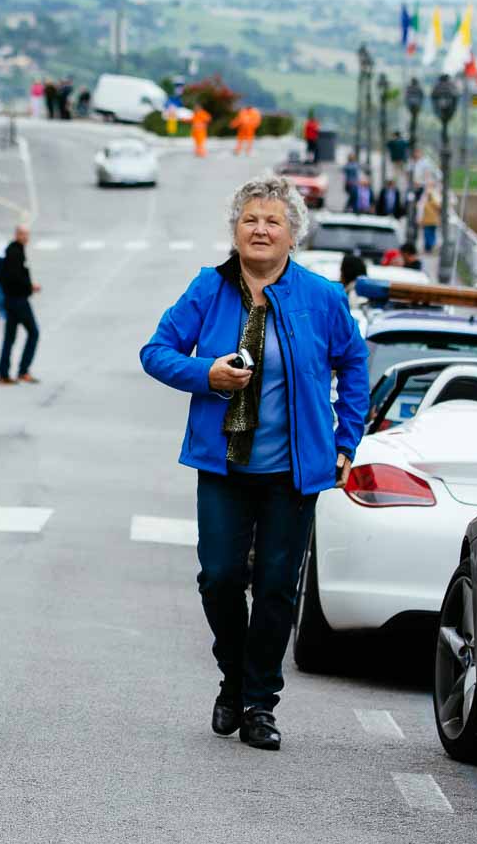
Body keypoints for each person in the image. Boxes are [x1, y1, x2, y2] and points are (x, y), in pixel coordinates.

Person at [140, 173, 370, 751]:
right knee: (219, 578)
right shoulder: (208, 288)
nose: (260, 229)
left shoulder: (321, 297)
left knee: (275, 589)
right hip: (223, 466)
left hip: (294, 470)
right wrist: (206, 373)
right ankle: (233, 678)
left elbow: (354, 364)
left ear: (293, 233)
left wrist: (347, 439)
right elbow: (156, 352)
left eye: (273, 220)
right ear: (235, 231)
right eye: (250, 219)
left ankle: (259, 703)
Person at [0, 224, 40, 384]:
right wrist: (30, 287)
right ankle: (23, 370)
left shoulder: (15, 251)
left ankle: (4, 374)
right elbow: (14, 278)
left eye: (27, 235)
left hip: (11, 300)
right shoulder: (15, 253)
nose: (25, 238)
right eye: (22, 234)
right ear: (17, 235)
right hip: (18, 300)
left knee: (10, 337)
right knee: (34, 332)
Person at [419, 188, 443, 254]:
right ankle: (430, 247)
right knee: (431, 234)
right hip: (433, 222)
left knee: (427, 235)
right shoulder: (436, 203)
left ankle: (430, 247)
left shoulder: (425, 204)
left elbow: (421, 213)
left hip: (427, 222)